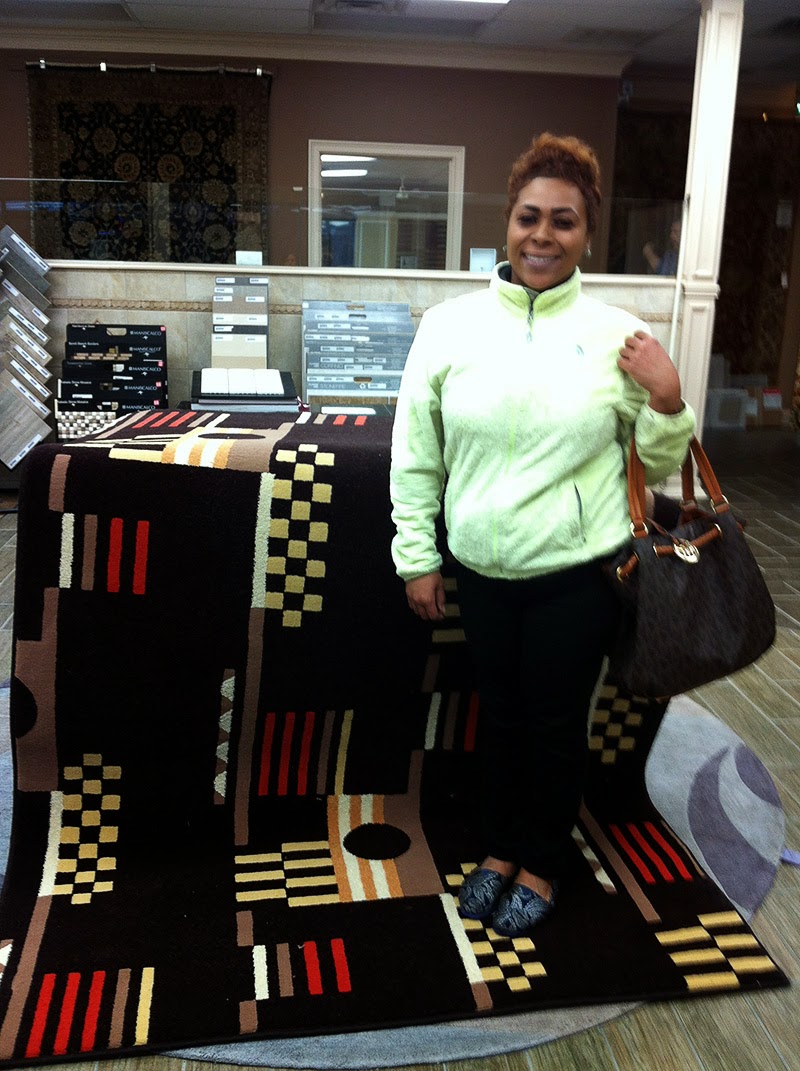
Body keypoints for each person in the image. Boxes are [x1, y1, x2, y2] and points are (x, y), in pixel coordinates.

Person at [389, 133, 695, 938]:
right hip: (483, 569)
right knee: (499, 716)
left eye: (564, 221)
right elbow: (415, 453)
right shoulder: (448, 327)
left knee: (556, 725)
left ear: (587, 233)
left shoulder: (617, 334)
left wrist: (667, 401)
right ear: (508, 220)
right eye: (530, 216)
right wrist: (417, 555)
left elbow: (656, 464)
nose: (543, 236)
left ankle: (542, 863)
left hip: (577, 572)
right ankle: (498, 850)